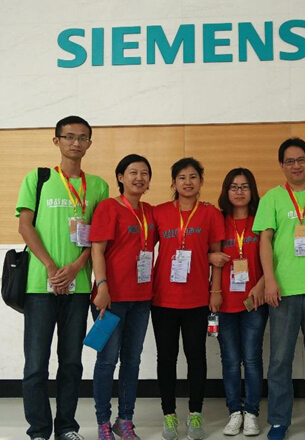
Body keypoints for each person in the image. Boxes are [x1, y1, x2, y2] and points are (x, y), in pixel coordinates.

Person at [16, 115, 108, 440]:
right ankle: (39, 431)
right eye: (69, 136)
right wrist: (51, 267)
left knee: (71, 363)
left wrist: (77, 266)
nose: (75, 143)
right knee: (35, 364)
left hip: (78, 287)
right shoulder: (38, 178)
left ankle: (66, 427)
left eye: (82, 137)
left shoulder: (98, 186)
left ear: (89, 143)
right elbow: (25, 226)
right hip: (40, 286)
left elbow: (99, 237)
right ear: (57, 141)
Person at [253, 138, 305, 440]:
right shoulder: (272, 198)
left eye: (301, 160)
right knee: (279, 360)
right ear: (282, 166)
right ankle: (278, 420)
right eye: (290, 161)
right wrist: (270, 280)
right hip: (282, 291)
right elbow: (265, 240)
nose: (296, 166)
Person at [152, 157, 225, 440]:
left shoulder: (210, 213)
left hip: (197, 299)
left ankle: (195, 412)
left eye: (193, 177)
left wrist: (215, 292)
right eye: (181, 177)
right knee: (166, 358)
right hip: (163, 299)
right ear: (173, 183)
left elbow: (217, 256)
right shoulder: (159, 212)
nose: (188, 182)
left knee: (196, 357)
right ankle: (168, 414)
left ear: (201, 181)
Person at [89, 154, 156, 440]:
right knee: (107, 361)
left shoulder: (150, 212)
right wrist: (102, 286)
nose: (139, 178)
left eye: (144, 173)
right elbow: (97, 249)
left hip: (141, 299)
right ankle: (103, 421)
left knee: (132, 361)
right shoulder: (108, 207)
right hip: (110, 299)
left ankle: (125, 419)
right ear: (120, 177)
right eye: (132, 172)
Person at [208, 167, 268, 436]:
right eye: (234, 187)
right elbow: (211, 256)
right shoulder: (218, 220)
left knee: (252, 358)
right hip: (225, 302)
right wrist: (215, 291)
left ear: (252, 191)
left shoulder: (261, 220)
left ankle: (251, 412)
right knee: (230, 360)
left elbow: (273, 258)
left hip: (254, 300)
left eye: (244, 187)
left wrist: (261, 285)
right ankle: (234, 411)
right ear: (226, 191)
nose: (239, 192)